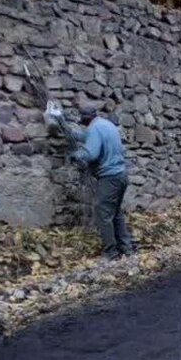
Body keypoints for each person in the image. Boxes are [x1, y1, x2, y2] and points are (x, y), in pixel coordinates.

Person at [45, 101, 136, 260]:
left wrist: (76, 155)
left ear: (86, 118)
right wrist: (61, 121)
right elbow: (81, 136)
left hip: (109, 177)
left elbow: (91, 153)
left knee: (102, 213)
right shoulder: (105, 124)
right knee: (115, 213)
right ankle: (127, 248)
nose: (81, 121)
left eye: (82, 119)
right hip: (121, 175)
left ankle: (111, 252)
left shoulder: (94, 128)